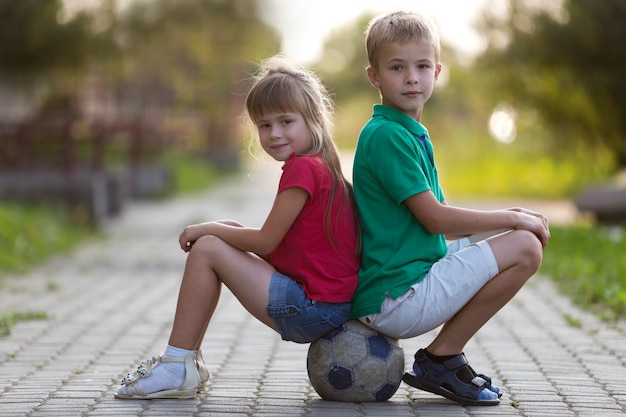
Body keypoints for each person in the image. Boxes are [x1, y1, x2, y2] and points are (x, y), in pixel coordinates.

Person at [114, 56, 360, 399]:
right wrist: (220, 227)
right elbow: (277, 243)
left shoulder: (303, 169)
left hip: (313, 309)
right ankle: (187, 362)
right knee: (221, 235)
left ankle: (177, 364)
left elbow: (265, 241)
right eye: (263, 125)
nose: (274, 134)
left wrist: (207, 228)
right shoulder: (320, 165)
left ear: (313, 119)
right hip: (327, 304)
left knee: (208, 249)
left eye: (285, 121)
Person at [349, 10, 550, 406]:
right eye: (397, 67)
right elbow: (436, 218)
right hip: (398, 295)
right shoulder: (388, 136)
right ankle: (441, 358)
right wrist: (513, 218)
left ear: (437, 72)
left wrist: (509, 219)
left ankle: (444, 356)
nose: (411, 77)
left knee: (521, 239)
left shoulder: (409, 132)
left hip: (414, 274)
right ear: (374, 76)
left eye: (422, 66)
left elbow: (440, 224)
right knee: (526, 247)